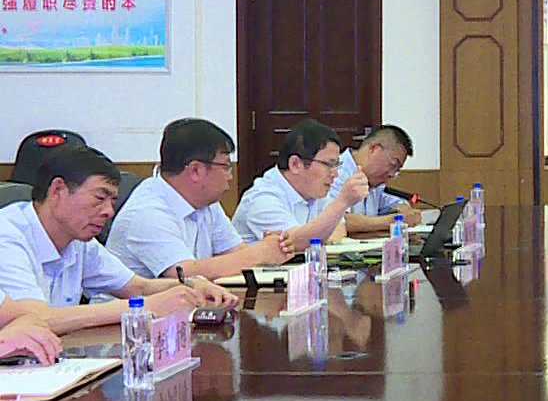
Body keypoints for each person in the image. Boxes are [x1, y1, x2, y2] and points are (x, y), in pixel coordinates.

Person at [0, 145, 233, 335]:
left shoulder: (78, 240)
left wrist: (190, 286)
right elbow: (33, 318)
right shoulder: (7, 236)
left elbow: (139, 287)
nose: (109, 212)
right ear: (58, 190)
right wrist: (143, 308)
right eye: (99, 198)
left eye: (112, 201)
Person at [107, 118, 295, 281]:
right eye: (226, 167)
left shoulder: (205, 202)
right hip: (130, 311)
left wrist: (270, 249)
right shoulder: (147, 213)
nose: (230, 176)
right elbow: (184, 274)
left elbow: (235, 251)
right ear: (196, 170)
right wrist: (258, 253)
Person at [232, 119, 370, 244]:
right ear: (295, 164)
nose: (335, 174)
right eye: (329, 164)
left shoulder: (314, 191)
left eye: (336, 165)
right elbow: (293, 244)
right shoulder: (262, 198)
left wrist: (316, 236)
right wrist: (342, 202)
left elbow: (339, 229)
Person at [329, 124, 423, 235]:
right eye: (393, 165)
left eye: (397, 170)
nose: (392, 174)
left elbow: (392, 202)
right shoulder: (334, 173)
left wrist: (404, 211)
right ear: (374, 149)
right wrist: (393, 221)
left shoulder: (374, 181)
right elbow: (336, 220)